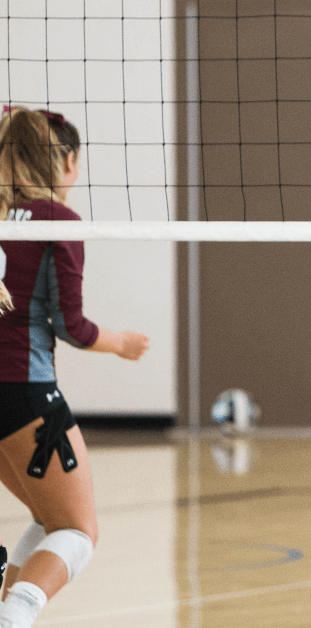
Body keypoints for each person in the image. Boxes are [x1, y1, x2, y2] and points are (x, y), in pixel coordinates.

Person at [0, 106, 150, 628]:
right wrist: (122, 344)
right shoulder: (57, 220)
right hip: (23, 393)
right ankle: (14, 617)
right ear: (64, 160)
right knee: (79, 533)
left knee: (49, 519)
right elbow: (72, 325)